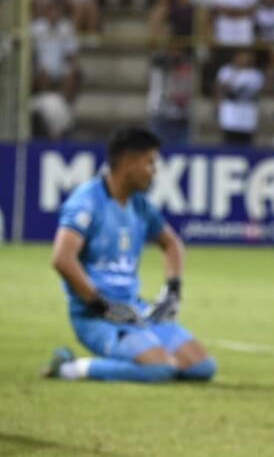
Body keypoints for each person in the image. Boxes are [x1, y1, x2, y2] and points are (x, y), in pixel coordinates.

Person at [41, 127, 216, 383]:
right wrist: (99, 304)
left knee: (202, 367)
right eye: (150, 163)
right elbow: (61, 259)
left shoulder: (139, 203)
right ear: (130, 164)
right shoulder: (87, 201)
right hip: (95, 317)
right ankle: (70, 367)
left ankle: (144, 355)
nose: (154, 171)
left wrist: (172, 290)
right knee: (160, 369)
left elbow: (172, 244)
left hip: (136, 311)